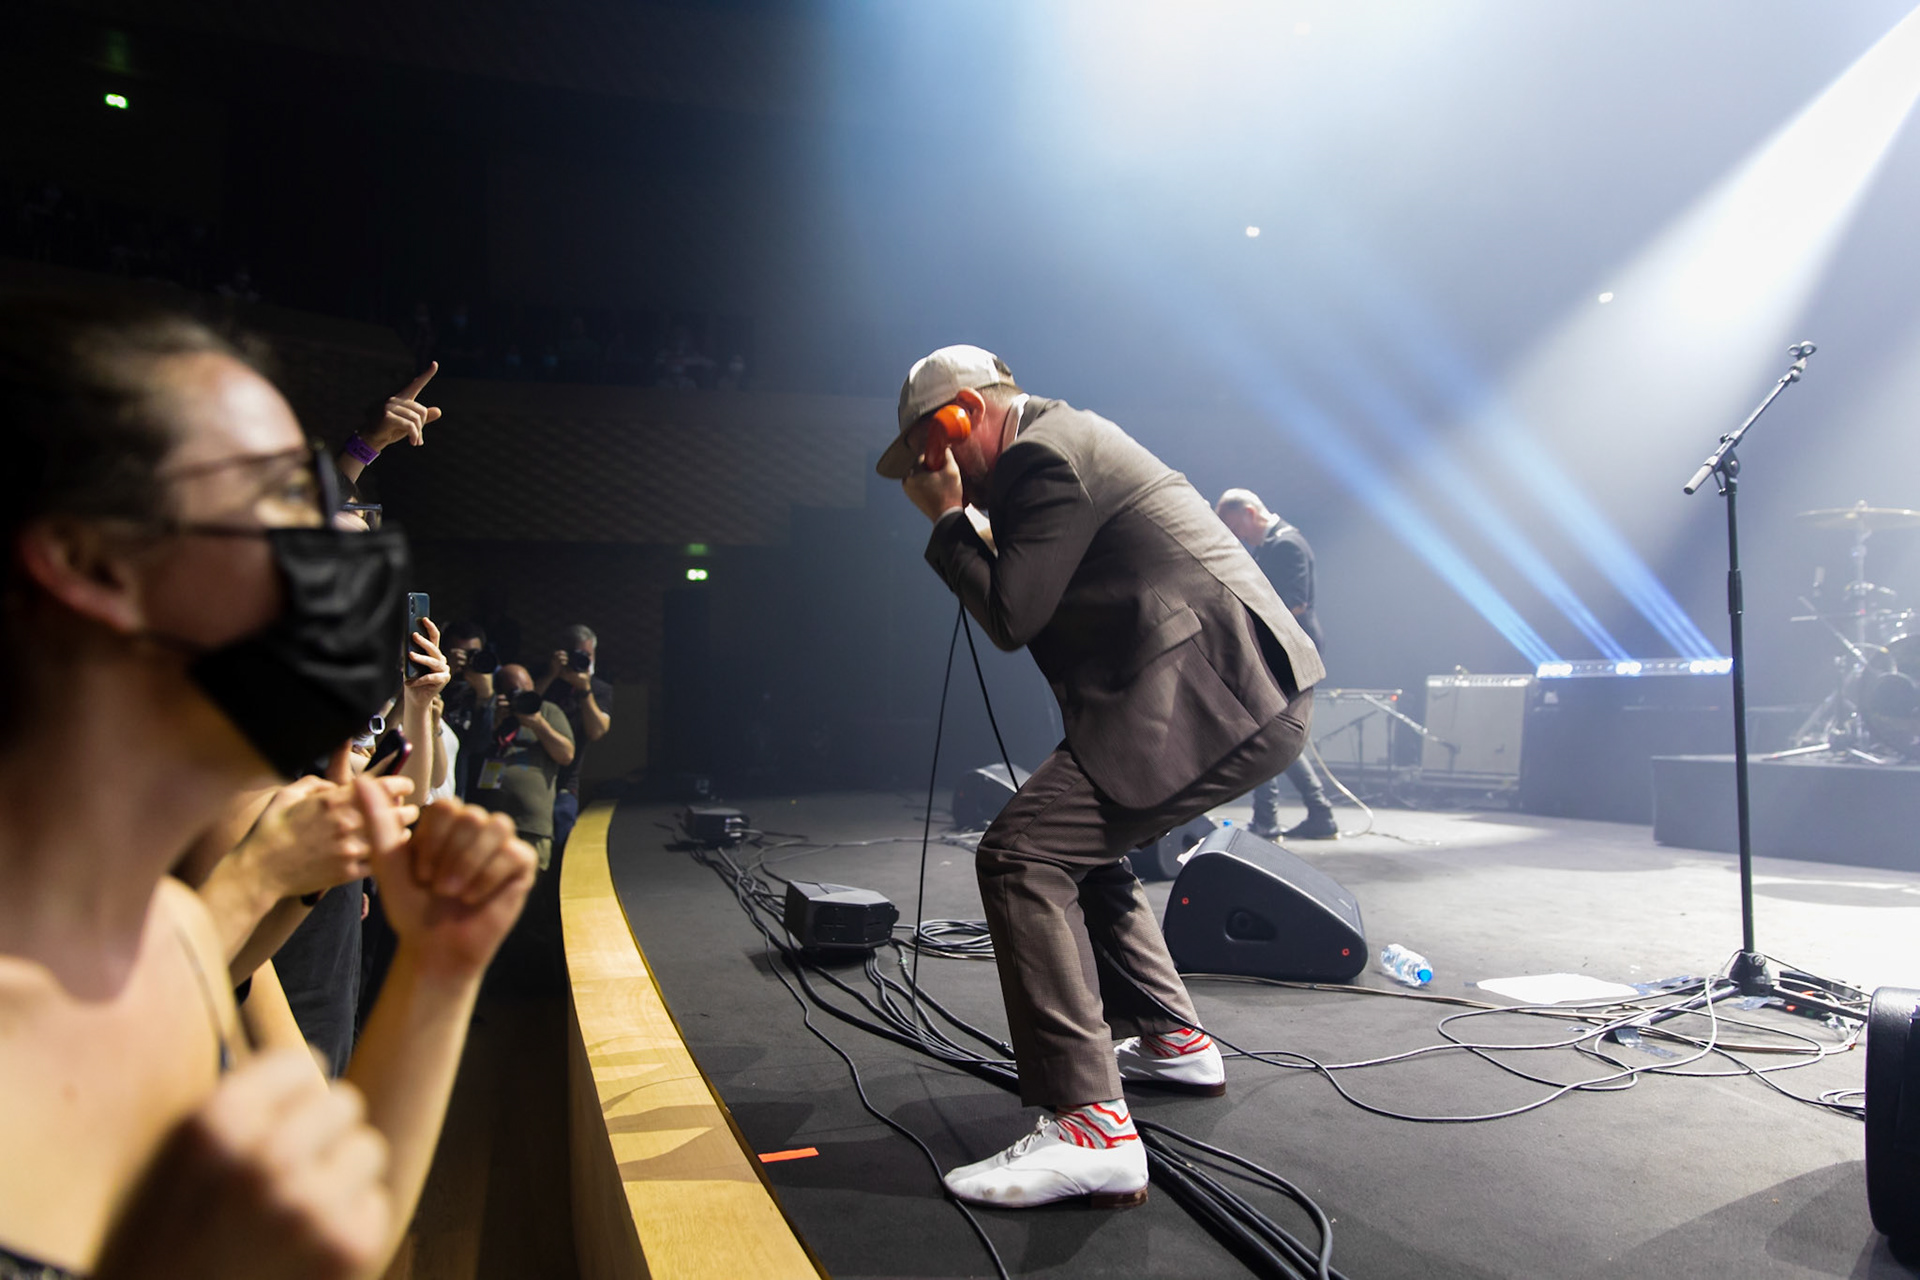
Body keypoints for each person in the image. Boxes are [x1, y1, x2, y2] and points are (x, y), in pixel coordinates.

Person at [0, 298, 536, 1278]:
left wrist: (439, 967)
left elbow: (349, 1218)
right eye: (284, 500)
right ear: (88, 559)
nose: (339, 554)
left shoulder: (174, 937)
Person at [881, 345, 1325, 1210]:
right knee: (1077, 849)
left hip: (1216, 696)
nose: (933, 472)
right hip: (1216, 693)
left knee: (1021, 856)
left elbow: (1013, 613)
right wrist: (970, 520)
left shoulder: (1042, 457)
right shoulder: (1054, 444)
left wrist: (945, 523)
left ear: (962, 416)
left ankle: (1090, 1127)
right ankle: (1172, 1039)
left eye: (931, 451)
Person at [1215, 488, 1339, 840]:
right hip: (1284, 649)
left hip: (1292, 650)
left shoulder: (1286, 544)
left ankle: (1276, 817)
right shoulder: (1271, 545)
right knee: (1269, 729)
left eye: (1233, 525)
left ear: (1250, 513)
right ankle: (1312, 813)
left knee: (1267, 729)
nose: (1234, 534)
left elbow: (1295, 603)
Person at [473, 664, 575, 872]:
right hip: (492, 827)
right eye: (513, 691)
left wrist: (537, 723)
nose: (521, 695)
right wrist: (493, 722)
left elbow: (566, 755)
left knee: (531, 894)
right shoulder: (490, 712)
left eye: (526, 689)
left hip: (533, 827)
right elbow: (472, 751)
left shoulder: (547, 711)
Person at [535, 624, 612, 857]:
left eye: (586, 656)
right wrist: (551, 675)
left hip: (566, 783)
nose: (581, 660)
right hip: (533, 776)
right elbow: (523, 708)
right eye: (575, 654)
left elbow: (597, 731)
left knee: (562, 845)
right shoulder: (542, 677)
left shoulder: (599, 689)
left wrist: (584, 689)